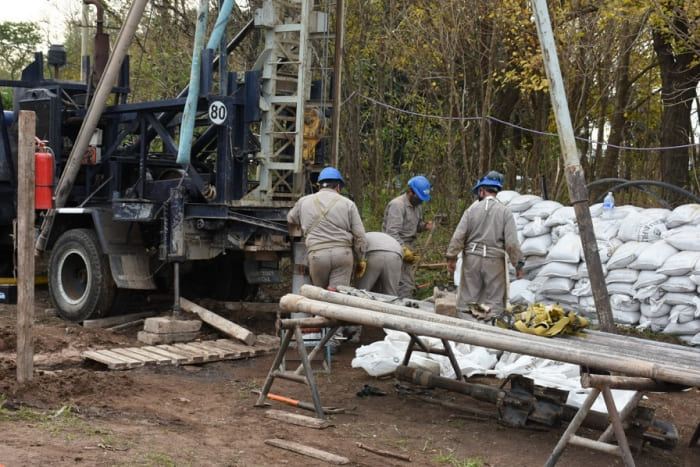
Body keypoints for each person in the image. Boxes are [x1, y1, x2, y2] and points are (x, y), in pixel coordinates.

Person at [445, 171, 523, 319]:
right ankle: (490, 332)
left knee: (468, 300)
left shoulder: (471, 210)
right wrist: (518, 264)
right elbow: (512, 242)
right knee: (494, 302)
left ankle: (464, 332)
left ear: (482, 190)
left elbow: (459, 235)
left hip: (472, 260)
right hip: (494, 261)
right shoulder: (505, 212)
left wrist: (451, 257)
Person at [287, 167, 367, 290]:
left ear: (319, 186)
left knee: (320, 295)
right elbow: (360, 235)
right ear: (338, 187)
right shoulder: (348, 203)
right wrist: (361, 258)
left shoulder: (304, 201)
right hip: (342, 255)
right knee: (337, 295)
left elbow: (291, 218)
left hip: (317, 254)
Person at [382, 175, 433, 298]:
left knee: (406, 284)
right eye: (418, 197)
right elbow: (392, 233)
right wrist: (404, 251)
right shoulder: (397, 205)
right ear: (410, 192)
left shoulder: (417, 207)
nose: (420, 201)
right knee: (402, 285)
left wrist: (424, 226)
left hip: (407, 247)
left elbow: (416, 226)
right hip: (393, 248)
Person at [355, 231, 404, 296]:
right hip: (395, 255)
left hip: (374, 254)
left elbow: (358, 253)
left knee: (362, 290)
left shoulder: (362, 237)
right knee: (391, 294)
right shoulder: (381, 236)